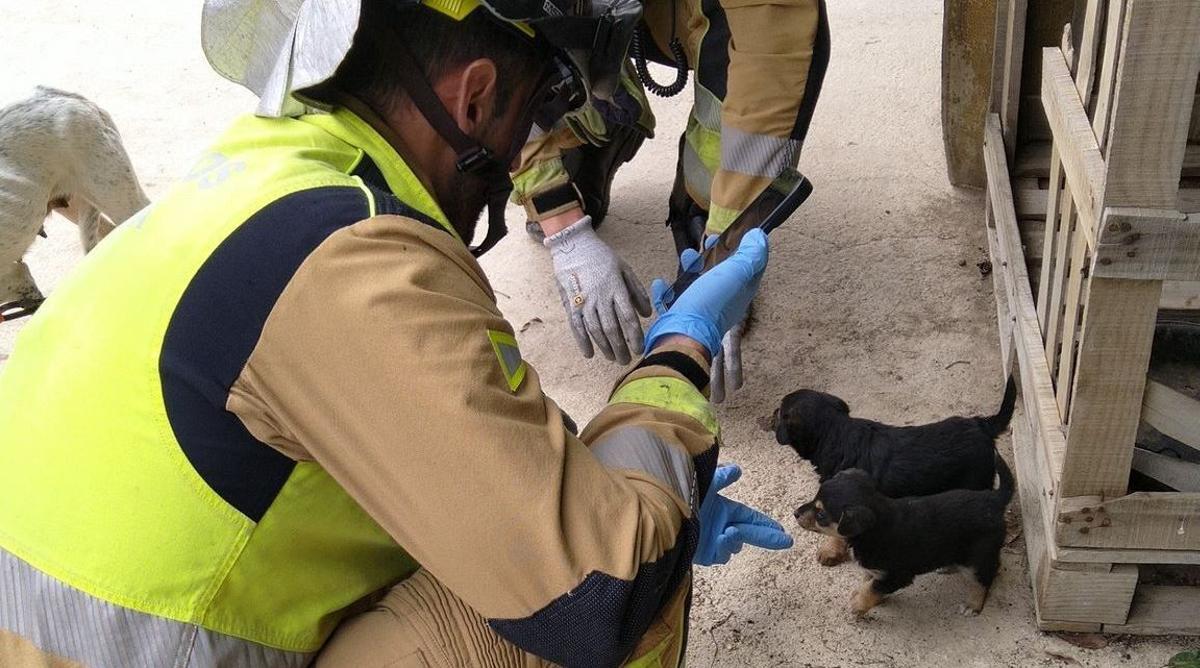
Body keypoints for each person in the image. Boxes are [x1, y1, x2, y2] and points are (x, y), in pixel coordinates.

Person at [0, 0, 792, 666]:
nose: (530, 145)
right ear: (476, 98)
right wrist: (678, 349)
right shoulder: (357, 259)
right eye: (544, 96)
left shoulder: (259, 174)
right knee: (632, 567)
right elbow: (600, 590)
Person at [513, 0, 830, 402]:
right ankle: (602, 121)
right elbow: (480, 48)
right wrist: (564, 228)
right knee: (508, 82)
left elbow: (775, 57)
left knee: (712, 188)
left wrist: (726, 251)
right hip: (586, 11)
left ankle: (701, 206)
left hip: (697, 16)